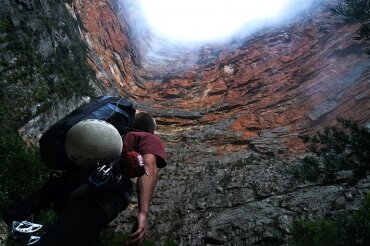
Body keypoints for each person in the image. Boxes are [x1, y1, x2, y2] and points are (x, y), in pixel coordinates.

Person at [3, 112, 167, 245]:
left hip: (71, 183)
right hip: (99, 194)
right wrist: (143, 213)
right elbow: (149, 166)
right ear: (151, 130)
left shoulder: (112, 130)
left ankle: (8, 222)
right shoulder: (147, 137)